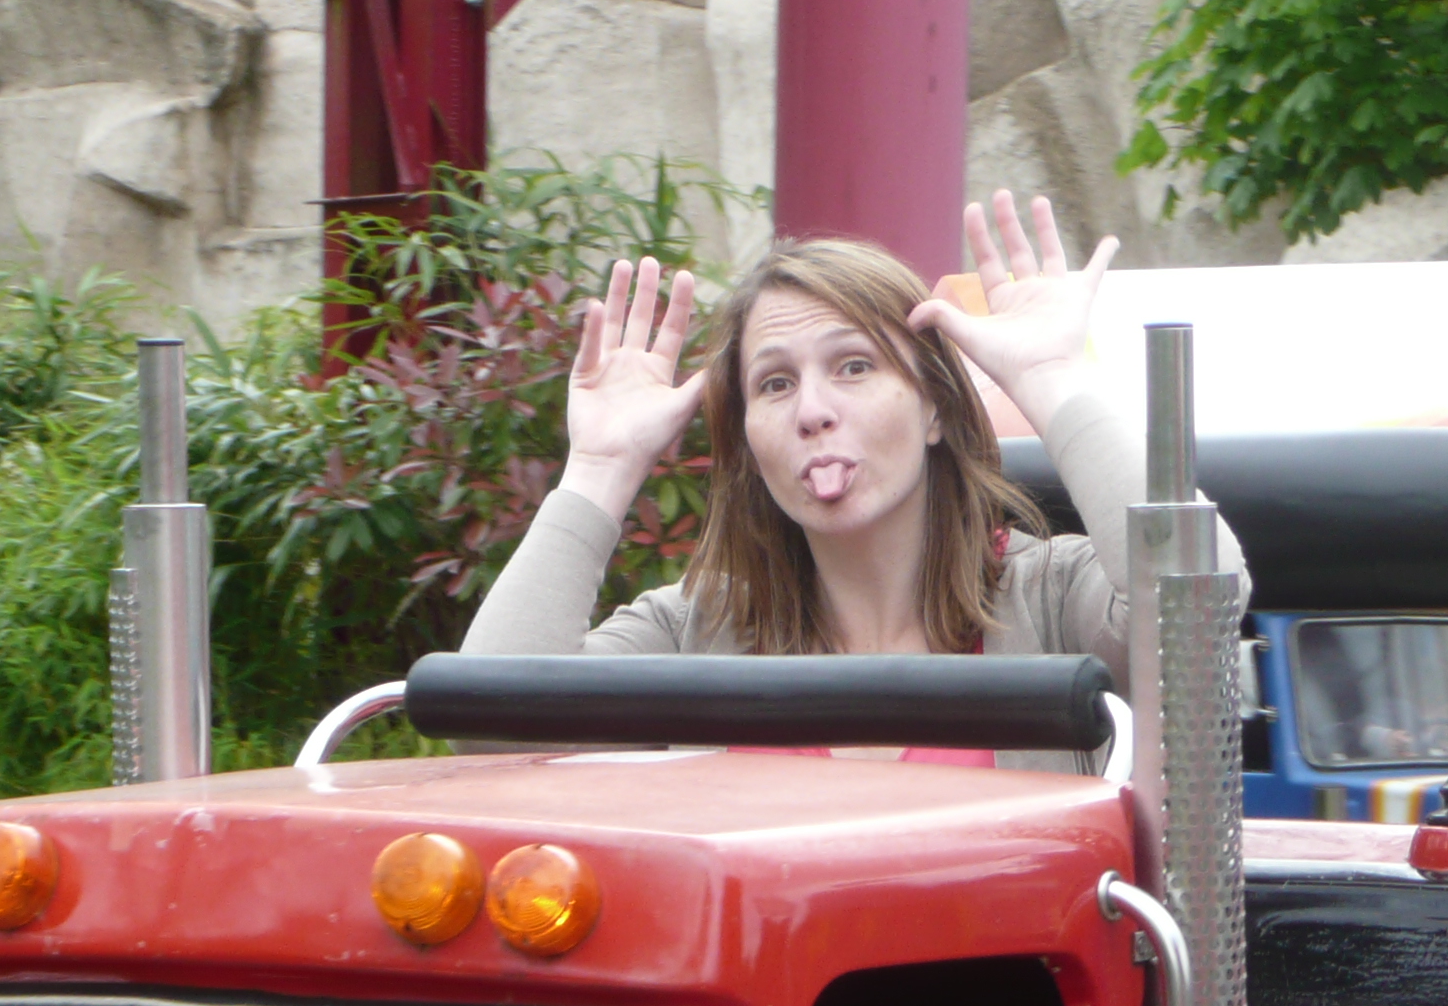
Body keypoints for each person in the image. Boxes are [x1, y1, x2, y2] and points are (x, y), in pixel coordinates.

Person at [461, 190, 1244, 771]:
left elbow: (1202, 603)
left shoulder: (1050, 597)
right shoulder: (699, 628)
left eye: (854, 367)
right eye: (774, 384)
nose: (812, 411)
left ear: (933, 406)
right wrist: (601, 467)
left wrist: (1050, 376)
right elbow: (492, 724)